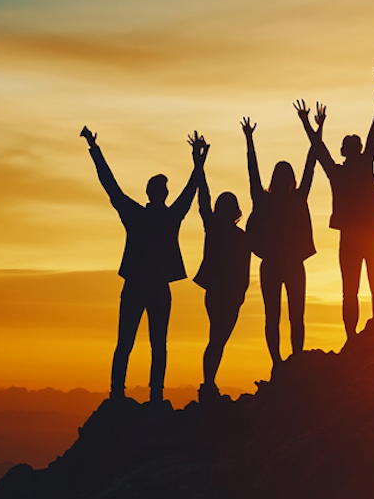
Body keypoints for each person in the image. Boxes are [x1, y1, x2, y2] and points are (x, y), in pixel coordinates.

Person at [81, 126, 206, 404]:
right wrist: (198, 162)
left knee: (132, 343)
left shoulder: (138, 215)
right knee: (151, 345)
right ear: (159, 193)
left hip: (140, 286)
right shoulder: (166, 216)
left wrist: (94, 148)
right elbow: (189, 192)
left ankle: (124, 394)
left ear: (150, 193)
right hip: (153, 287)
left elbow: (110, 185)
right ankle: (148, 395)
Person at [297, 95, 374, 340]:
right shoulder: (349, 169)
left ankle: (355, 335)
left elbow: (322, 151)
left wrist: (312, 125)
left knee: (356, 290)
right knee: (367, 289)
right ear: (354, 150)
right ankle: (355, 335)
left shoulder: (343, 171)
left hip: (359, 236)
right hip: (362, 236)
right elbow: (372, 137)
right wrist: (311, 125)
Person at [243, 116, 319, 373]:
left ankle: (283, 362)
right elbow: (311, 167)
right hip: (287, 265)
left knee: (276, 316)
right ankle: (286, 361)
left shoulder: (265, 200)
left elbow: (253, 175)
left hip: (275, 265)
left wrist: (249, 140)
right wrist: (316, 131)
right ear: (289, 180)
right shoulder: (294, 198)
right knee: (292, 316)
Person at [193, 176, 251, 402]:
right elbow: (203, 202)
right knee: (217, 339)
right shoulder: (223, 231)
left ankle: (208, 384)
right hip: (224, 294)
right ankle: (207, 385)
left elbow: (204, 203)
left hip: (225, 294)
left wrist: (200, 168)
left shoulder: (223, 231)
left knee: (217, 339)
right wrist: (200, 169)